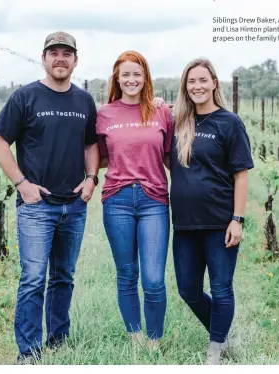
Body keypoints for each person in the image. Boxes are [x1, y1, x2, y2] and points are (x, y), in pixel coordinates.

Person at [0, 31, 100, 364]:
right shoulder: (26, 97)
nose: (61, 58)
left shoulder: (84, 101)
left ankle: (58, 339)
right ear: (44, 58)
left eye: (67, 53)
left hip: (75, 205)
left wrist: (92, 179)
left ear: (75, 61)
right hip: (37, 207)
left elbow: (91, 144)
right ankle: (28, 350)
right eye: (54, 52)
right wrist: (21, 183)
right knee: (34, 278)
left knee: (64, 276)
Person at [169, 58, 254, 364]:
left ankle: (215, 348)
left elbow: (241, 173)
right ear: (185, 87)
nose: (197, 86)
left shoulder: (229, 122)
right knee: (188, 290)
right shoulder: (178, 124)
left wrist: (237, 218)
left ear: (214, 83)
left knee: (220, 288)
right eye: (192, 81)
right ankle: (222, 332)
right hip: (185, 224)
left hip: (220, 222)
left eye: (203, 80)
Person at [96, 50, 174, 351]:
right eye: (125, 74)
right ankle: (135, 336)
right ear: (117, 77)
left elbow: (169, 156)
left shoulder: (160, 112)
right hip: (117, 199)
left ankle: (154, 340)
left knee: (153, 278)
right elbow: (99, 156)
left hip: (154, 200)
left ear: (145, 78)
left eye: (136, 74)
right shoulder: (104, 114)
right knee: (127, 273)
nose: (131, 79)